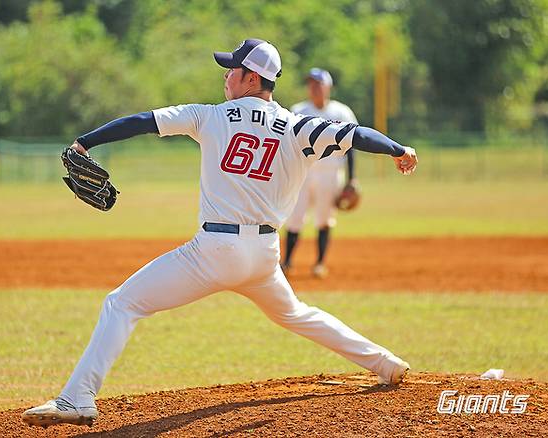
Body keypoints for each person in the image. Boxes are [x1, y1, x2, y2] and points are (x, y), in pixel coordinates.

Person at [22, 38, 418, 428]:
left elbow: (143, 121)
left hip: (213, 252)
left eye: (232, 69)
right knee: (296, 314)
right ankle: (384, 362)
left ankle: (77, 398)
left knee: (122, 304)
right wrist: (399, 149)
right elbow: (356, 134)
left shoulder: (209, 116)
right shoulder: (299, 126)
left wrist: (85, 143)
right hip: (263, 255)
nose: (226, 76)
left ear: (250, 78)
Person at [283, 68, 359, 278]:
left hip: (331, 173)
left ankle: (319, 263)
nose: (314, 88)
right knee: (294, 217)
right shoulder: (298, 110)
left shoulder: (342, 112)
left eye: (318, 83)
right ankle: (287, 262)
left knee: (324, 218)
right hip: (303, 174)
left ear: (328, 87)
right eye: (311, 84)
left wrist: (352, 178)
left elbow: (351, 147)